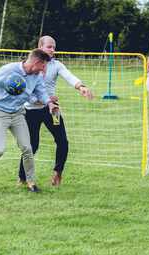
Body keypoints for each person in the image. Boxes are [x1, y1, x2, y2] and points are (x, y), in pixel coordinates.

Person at [0, 49, 58, 193]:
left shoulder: (37, 76)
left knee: (27, 148)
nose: (44, 70)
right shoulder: (9, 70)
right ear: (37, 62)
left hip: (18, 114)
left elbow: (41, 93)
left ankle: (31, 183)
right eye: (43, 66)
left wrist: (50, 104)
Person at [18, 35, 93, 187]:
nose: (53, 50)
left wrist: (81, 87)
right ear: (40, 47)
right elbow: (25, 91)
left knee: (63, 141)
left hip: (52, 109)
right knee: (32, 145)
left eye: (54, 47)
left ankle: (58, 173)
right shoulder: (29, 65)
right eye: (49, 47)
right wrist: (43, 99)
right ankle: (22, 178)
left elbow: (70, 77)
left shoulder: (56, 65)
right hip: (31, 110)